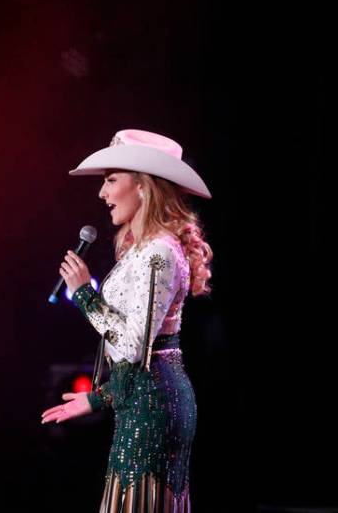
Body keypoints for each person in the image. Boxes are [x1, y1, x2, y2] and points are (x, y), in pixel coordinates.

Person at [40, 129, 213, 512]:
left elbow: (136, 345)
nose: (102, 193)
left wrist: (84, 294)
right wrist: (99, 397)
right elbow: (136, 353)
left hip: (154, 407)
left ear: (144, 187)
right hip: (141, 399)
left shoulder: (159, 253)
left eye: (111, 179)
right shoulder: (144, 249)